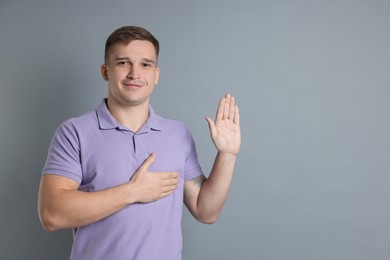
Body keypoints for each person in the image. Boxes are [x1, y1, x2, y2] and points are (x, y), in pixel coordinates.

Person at [38, 25, 240, 260]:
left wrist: (227, 156)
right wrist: (132, 191)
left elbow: (206, 211)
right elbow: (52, 214)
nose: (135, 73)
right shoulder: (74, 132)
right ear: (106, 71)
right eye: (123, 62)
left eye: (145, 64)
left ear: (156, 75)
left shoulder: (177, 134)